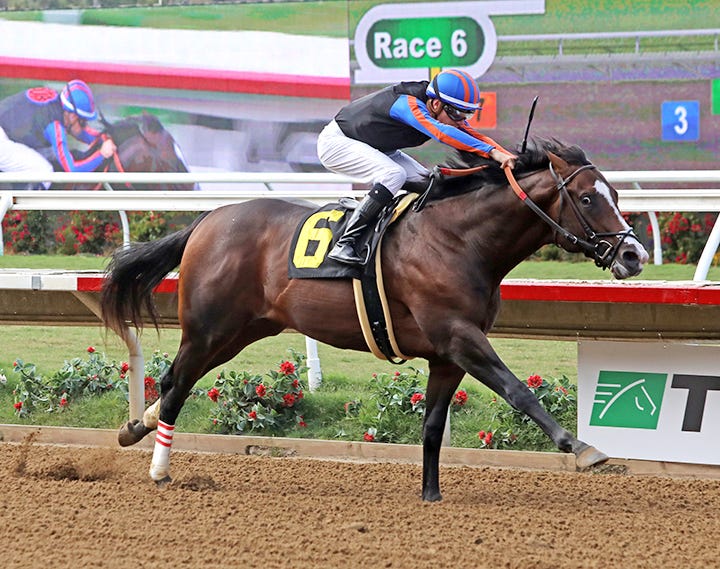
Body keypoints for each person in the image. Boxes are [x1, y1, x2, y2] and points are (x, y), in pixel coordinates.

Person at [317, 69, 517, 265]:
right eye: (458, 113)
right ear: (436, 104)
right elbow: (441, 132)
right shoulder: (407, 104)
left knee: (430, 184)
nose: (462, 120)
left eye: (467, 114)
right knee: (394, 174)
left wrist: (506, 156)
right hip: (337, 143)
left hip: (376, 146)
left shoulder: (442, 108)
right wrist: (491, 152)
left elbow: (476, 136)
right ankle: (344, 243)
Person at [0, 79, 116, 187]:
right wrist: (101, 154)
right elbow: (72, 171)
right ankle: (16, 203)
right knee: (44, 171)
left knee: (50, 156)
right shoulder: (55, 127)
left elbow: (80, 132)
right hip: (4, 138)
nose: (85, 127)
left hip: (7, 132)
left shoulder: (58, 105)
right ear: (72, 116)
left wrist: (103, 138)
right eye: (83, 122)